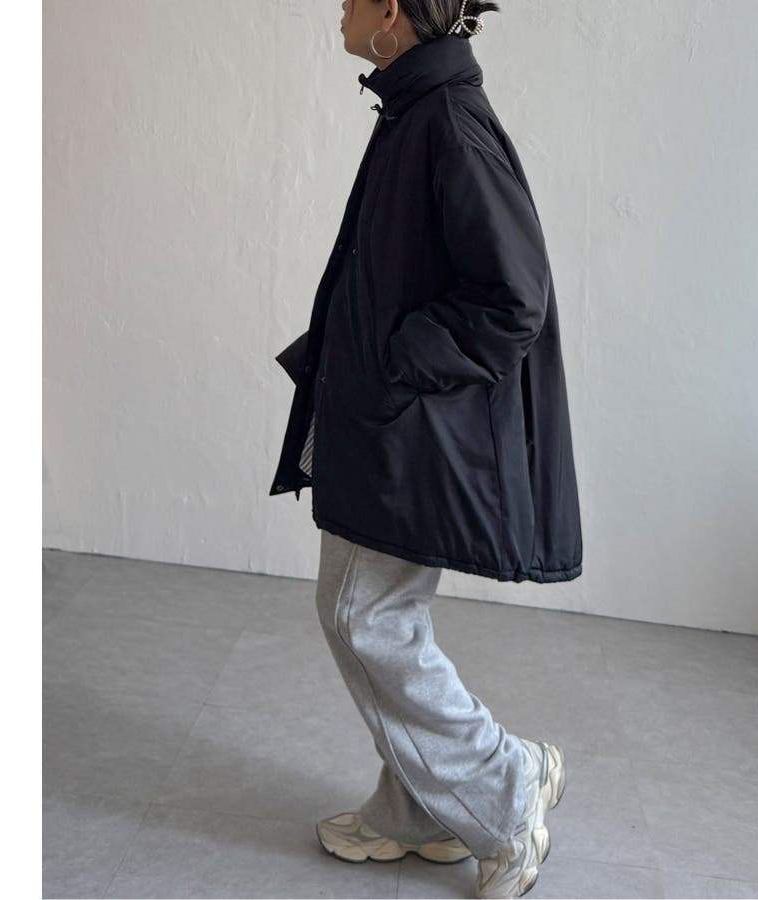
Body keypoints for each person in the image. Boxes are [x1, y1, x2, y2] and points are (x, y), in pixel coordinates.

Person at [271, 3, 582, 897]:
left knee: (367, 617)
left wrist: (397, 361)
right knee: (362, 612)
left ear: (392, 13)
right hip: (385, 419)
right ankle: (416, 808)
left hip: (408, 427)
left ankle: (507, 787)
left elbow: (513, 297)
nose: (340, 6)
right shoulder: (416, 109)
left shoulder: (447, 122)